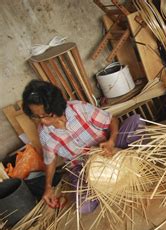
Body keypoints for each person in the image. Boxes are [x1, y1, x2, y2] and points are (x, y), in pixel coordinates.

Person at [22, 80, 141, 213]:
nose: (43, 121)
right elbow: (50, 160)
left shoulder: (79, 109)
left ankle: (136, 162)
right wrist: (48, 187)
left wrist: (112, 141)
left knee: (136, 122)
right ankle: (106, 184)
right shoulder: (44, 133)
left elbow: (112, 120)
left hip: (109, 149)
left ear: (56, 107)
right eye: (37, 117)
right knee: (83, 207)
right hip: (84, 167)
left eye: (46, 115)